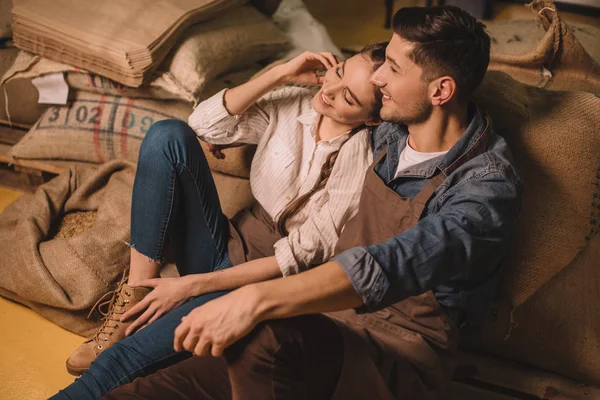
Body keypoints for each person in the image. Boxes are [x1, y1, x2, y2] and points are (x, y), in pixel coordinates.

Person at [102, 5, 523, 400]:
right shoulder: (391, 131)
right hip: (323, 320)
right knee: (140, 389)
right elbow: (234, 122)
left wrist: (254, 298)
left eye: (393, 69)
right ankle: (136, 304)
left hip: (394, 353)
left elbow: (394, 262)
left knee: (262, 335)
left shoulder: (485, 189)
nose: (378, 79)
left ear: (441, 90)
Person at [53, 44, 387, 399]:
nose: (330, 92)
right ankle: (136, 299)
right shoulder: (296, 103)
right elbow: (203, 123)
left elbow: (291, 262)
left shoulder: (359, 164)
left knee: (123, 360)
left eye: (348, 97)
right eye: (337, 73)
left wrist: (190, 286)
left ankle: (131, 337)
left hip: (262, 281)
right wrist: (279, 75)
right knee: (167, 136)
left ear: (372, 118)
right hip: (225, 242)